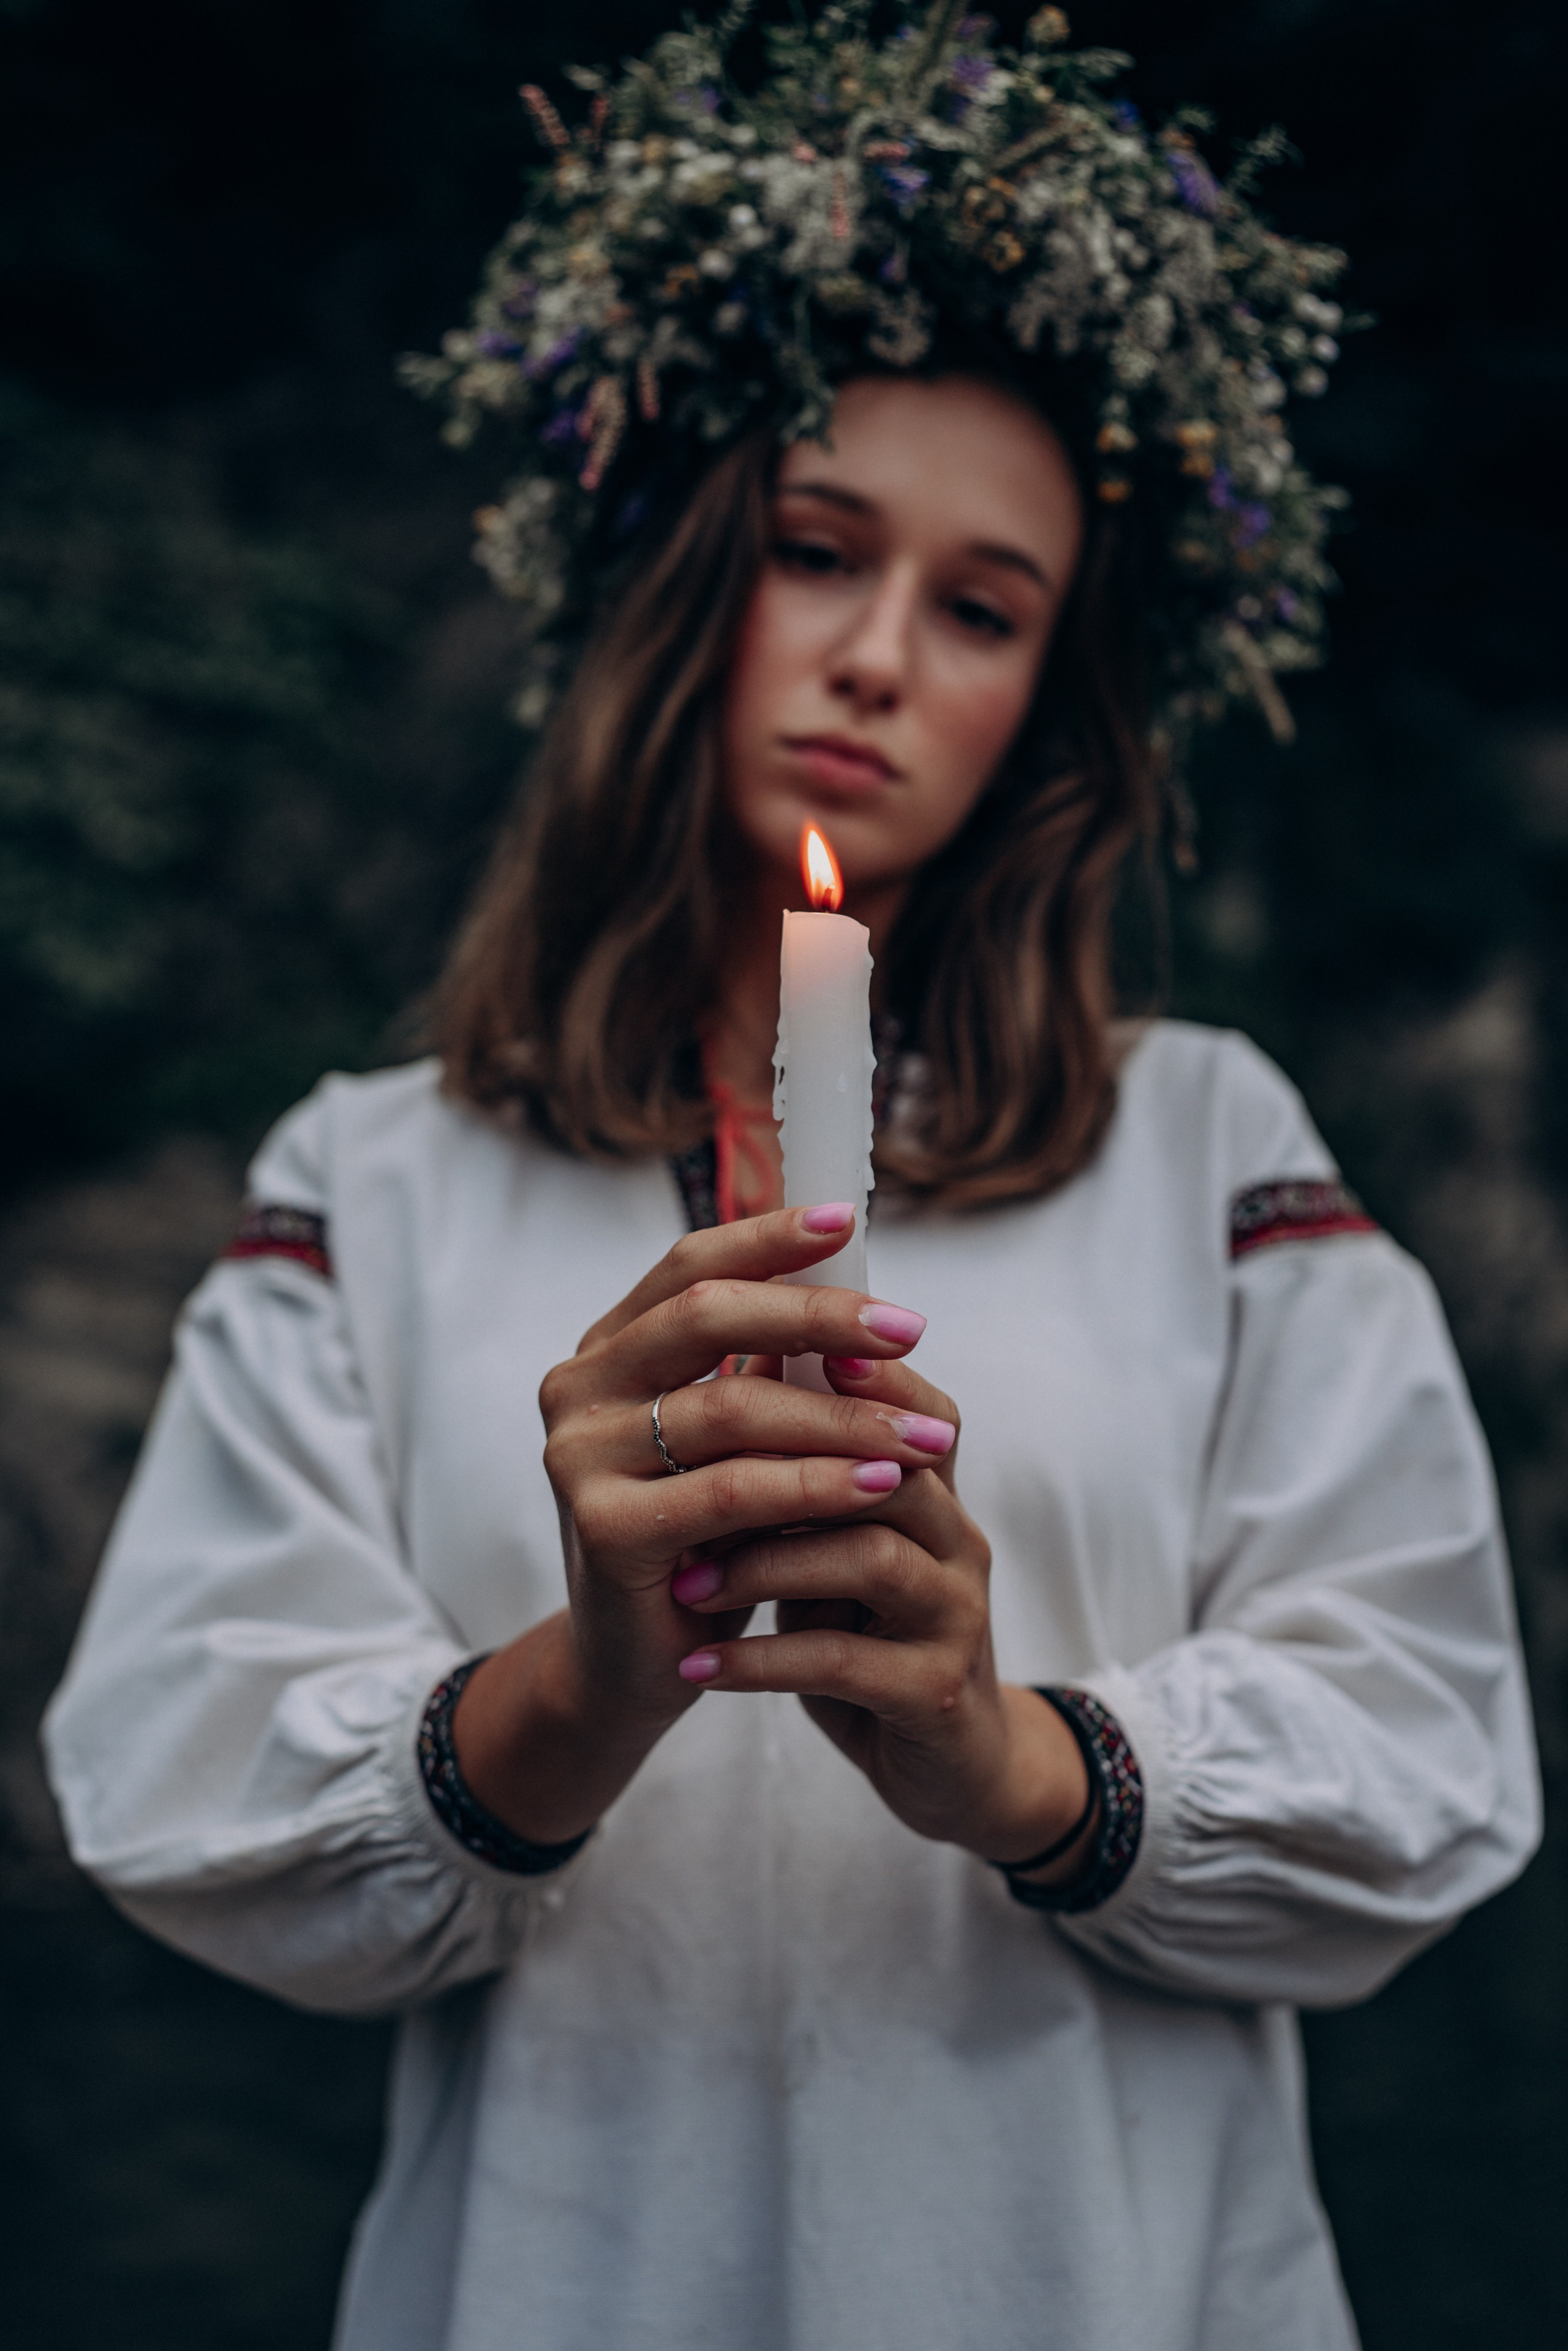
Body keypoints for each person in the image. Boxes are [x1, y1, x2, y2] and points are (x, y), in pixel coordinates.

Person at [44, 12, 1539, 2349]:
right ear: (678, 586)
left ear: (1051, 696)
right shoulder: (374, 1179)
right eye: (817, 550)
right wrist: (579, 1684)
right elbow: (176, 1774)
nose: (872, 657)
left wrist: (1008, 1753)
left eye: (983, 606)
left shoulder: (1206, 1147)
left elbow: (1431, 1747)